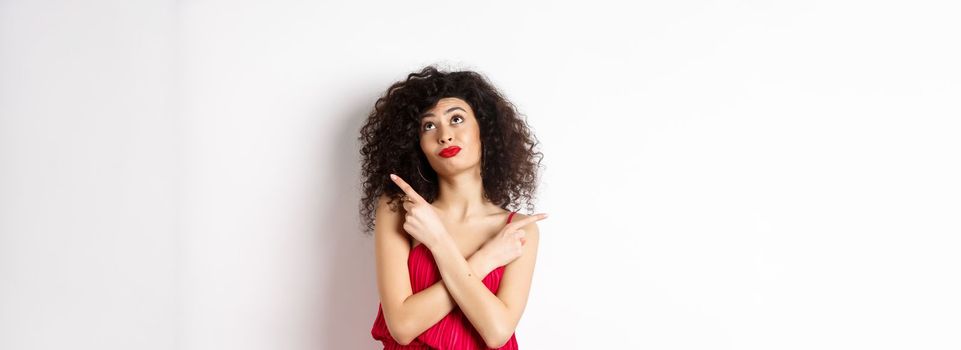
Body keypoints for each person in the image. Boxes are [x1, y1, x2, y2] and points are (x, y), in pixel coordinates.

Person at [358, 65, 548, 349]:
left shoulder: (517, 230)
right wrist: (486, 260)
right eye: (429, 125)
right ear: (417, 144)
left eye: (456, 119)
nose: (444, 135)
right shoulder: (400, 210)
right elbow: (402, 326)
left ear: (485, 130)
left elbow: (497, 333)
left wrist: (438, 241)